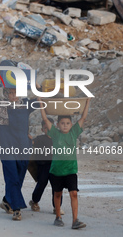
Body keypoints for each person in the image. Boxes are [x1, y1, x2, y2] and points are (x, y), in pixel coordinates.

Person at [0, 85, 36, 221]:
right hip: (7, 147)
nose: (13, 95)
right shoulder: (1, 106)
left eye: (15, 92)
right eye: (10, 93)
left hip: (23, 147)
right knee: (12, 177)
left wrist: (39, 88)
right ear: (6, 93)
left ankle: (7, 201)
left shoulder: (26, 105)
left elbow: (42, 102)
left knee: (19, 178)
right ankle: (16, 210)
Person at [39, 97, 91, 229]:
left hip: (71, 170)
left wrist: (88, 102)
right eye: (62, 123)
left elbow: (83, 118)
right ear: (58, 125)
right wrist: (41, 103)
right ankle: (58, 216)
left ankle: (75, 220)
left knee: (73, 193)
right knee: (57, 194)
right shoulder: (55, 134)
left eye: (68, 123)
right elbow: (45, 119)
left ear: (71, 124)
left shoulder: (74, 132)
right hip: (56, 170)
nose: (65, 125)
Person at [29, 118, 64, 215]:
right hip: (43, 166)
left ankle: (57, 207)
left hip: (56, 166)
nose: (48, 130)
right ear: (42, 130)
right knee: (41, 184)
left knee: (57, 187)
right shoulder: (40, 139)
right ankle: (34, 202)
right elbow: (31, 142)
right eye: (45, 128)